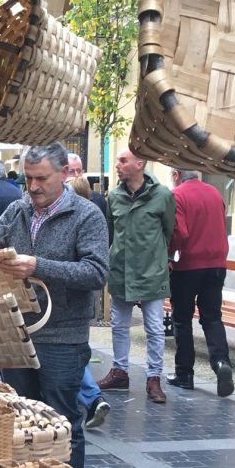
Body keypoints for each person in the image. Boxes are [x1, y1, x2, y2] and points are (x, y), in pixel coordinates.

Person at [0, 144, 109, 468]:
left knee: (62, 423)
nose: (33, 187)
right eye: (28, 178)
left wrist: (38, 267)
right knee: (23, 423)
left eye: (41, 179)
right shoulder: (17, 210)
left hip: (63, 337)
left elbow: (96, 273)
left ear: (64, 174)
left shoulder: (87, 215)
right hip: (16, 333)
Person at [98, 149, 175, 404]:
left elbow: (168, 231)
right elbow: (110, 231)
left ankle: (154, 378)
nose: (117, 165)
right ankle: (120, 372)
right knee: (119, 325)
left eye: (123, 161)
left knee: (154, 327)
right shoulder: (115, 196)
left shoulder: (162, 195)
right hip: (121, 270)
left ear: (139, 164)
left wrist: (157, 258)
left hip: (151, 271)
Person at [167, 168, 233, 396]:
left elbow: (180, 233)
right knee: (212, 317)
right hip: (217, 264)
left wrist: (170, 254)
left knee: (182, 319)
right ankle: (221, 363)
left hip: (188, 265)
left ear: (176, 175)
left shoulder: (178, 195)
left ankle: (184, 374)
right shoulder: (215, 192)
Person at [69, 174, 109, 430]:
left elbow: (95, 269)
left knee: (71, 359)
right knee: (77, 354)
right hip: (82, 305)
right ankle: (92, 398)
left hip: (69, 307)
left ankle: (92, 398)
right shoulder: (97, 211)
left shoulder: (86, 219)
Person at [67, 153, 108, 219]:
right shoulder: (56, 200)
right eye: (71, 172)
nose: (76, 175)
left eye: (79, 171)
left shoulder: (98, 200)